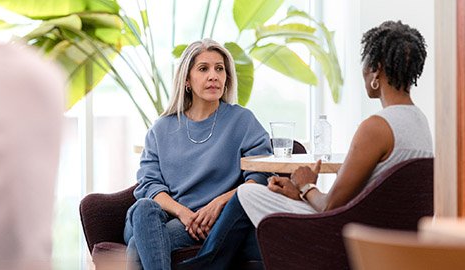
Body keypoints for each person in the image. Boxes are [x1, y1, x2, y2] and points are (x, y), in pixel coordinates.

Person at [177, 20, 433, 270]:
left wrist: (306, 184)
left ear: (376, 70)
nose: (363, 71)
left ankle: (206, 263)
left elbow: (331, 206)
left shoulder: (376, 127)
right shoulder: (420, 121)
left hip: (342, 234)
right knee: (255, 196)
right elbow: (364, 197)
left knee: (247, 193)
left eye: (365, 63)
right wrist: (296, 192)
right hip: (382, 229)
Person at [123, 38, 272, 270]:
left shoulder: (242, 121)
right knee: (143, 208)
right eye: (203, 69)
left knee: (136, 247)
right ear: (187, 80)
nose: (213, 76)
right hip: (166, 216)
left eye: (219, 69)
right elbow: (149, 185)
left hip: (208, 221)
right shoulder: (161, 128)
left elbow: (259, 178)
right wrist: (183, 213)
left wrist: (218, 204)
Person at [0, 40, 65, 270]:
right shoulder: (31, 78)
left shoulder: (24, 81)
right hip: (164, 214)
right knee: (143, 214)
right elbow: (148, 184)